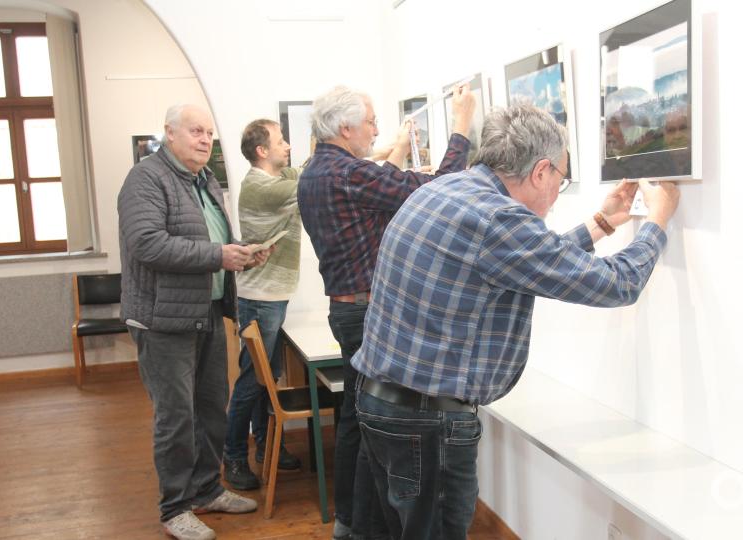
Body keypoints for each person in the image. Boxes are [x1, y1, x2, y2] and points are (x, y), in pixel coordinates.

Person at [351, 103, 680, 540]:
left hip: (382, 405)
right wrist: (658, 220)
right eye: (561, 179)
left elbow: (519, 260)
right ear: (541, 170)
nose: (558, 191)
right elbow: (617, 284)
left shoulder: (447, 190)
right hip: (425, 424)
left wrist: (600, 224)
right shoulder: (499, 220)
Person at [297, 84, 475, 540]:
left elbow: (375, 190)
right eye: (371, 121)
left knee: (358, 420)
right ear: (345, 128)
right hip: (366, 314)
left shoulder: (318, 170)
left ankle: (353, 522)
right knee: (369, 424)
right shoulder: (348, 174)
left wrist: (395, 152)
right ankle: (360, 526)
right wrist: (461, 127)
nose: (376, 128)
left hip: (348, 309)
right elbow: (437, 190)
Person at [118, 104, 270, 540]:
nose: (206, 140)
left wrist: (241, 250)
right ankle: (175, 508)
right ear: (169, 134)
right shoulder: (145, 178)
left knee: (209, 408)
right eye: (196, 132)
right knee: (176, 418)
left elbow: (208, 238)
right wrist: (217, 256)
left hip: (203, 311)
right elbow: (148, 244)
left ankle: (206, 489)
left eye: (209, 133)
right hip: (161, 320)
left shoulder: (203, 180)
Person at [223, 119, 304, 490]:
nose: (287, 146)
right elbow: (311, 180)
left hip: (272, 295)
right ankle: (235, 457)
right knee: (252, 384)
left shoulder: (276, 178)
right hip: (260, 299)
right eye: (280, 140)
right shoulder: (260, 186)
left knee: (265, 379)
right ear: (261, 151)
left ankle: (268, 450)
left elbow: (304, 169)